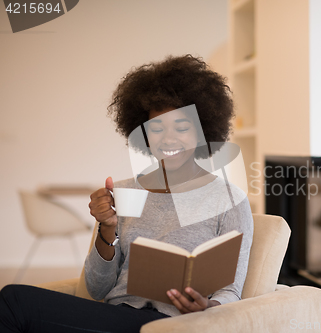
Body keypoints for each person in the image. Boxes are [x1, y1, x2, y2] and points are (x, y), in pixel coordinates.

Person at [0, 55, 254, 333]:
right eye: (156, 128)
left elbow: (231, 291)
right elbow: (96, 288)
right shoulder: (123, 192)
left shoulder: (230, 200)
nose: (168, 139)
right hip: (115, 317)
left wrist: (207, 307)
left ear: (202, 131)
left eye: (182, 127)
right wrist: (107, 229)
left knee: (14, 301)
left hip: (174, 325)